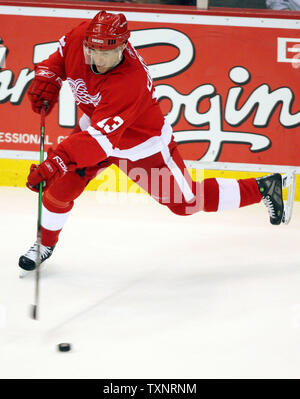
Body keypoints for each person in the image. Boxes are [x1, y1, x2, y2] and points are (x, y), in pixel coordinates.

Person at [19, 10, 284, 272]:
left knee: (186, 203)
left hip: (141, 147)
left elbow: (99, 143)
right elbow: (59, 59)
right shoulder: (82, 36)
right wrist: (49, 78)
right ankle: (45, 243)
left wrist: (58, 160)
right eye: (92, 50)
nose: (97, 59)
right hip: (96, 131)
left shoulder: (129, 82)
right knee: (60, 191)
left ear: (123, 46)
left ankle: (263, 187)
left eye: (105, 53)